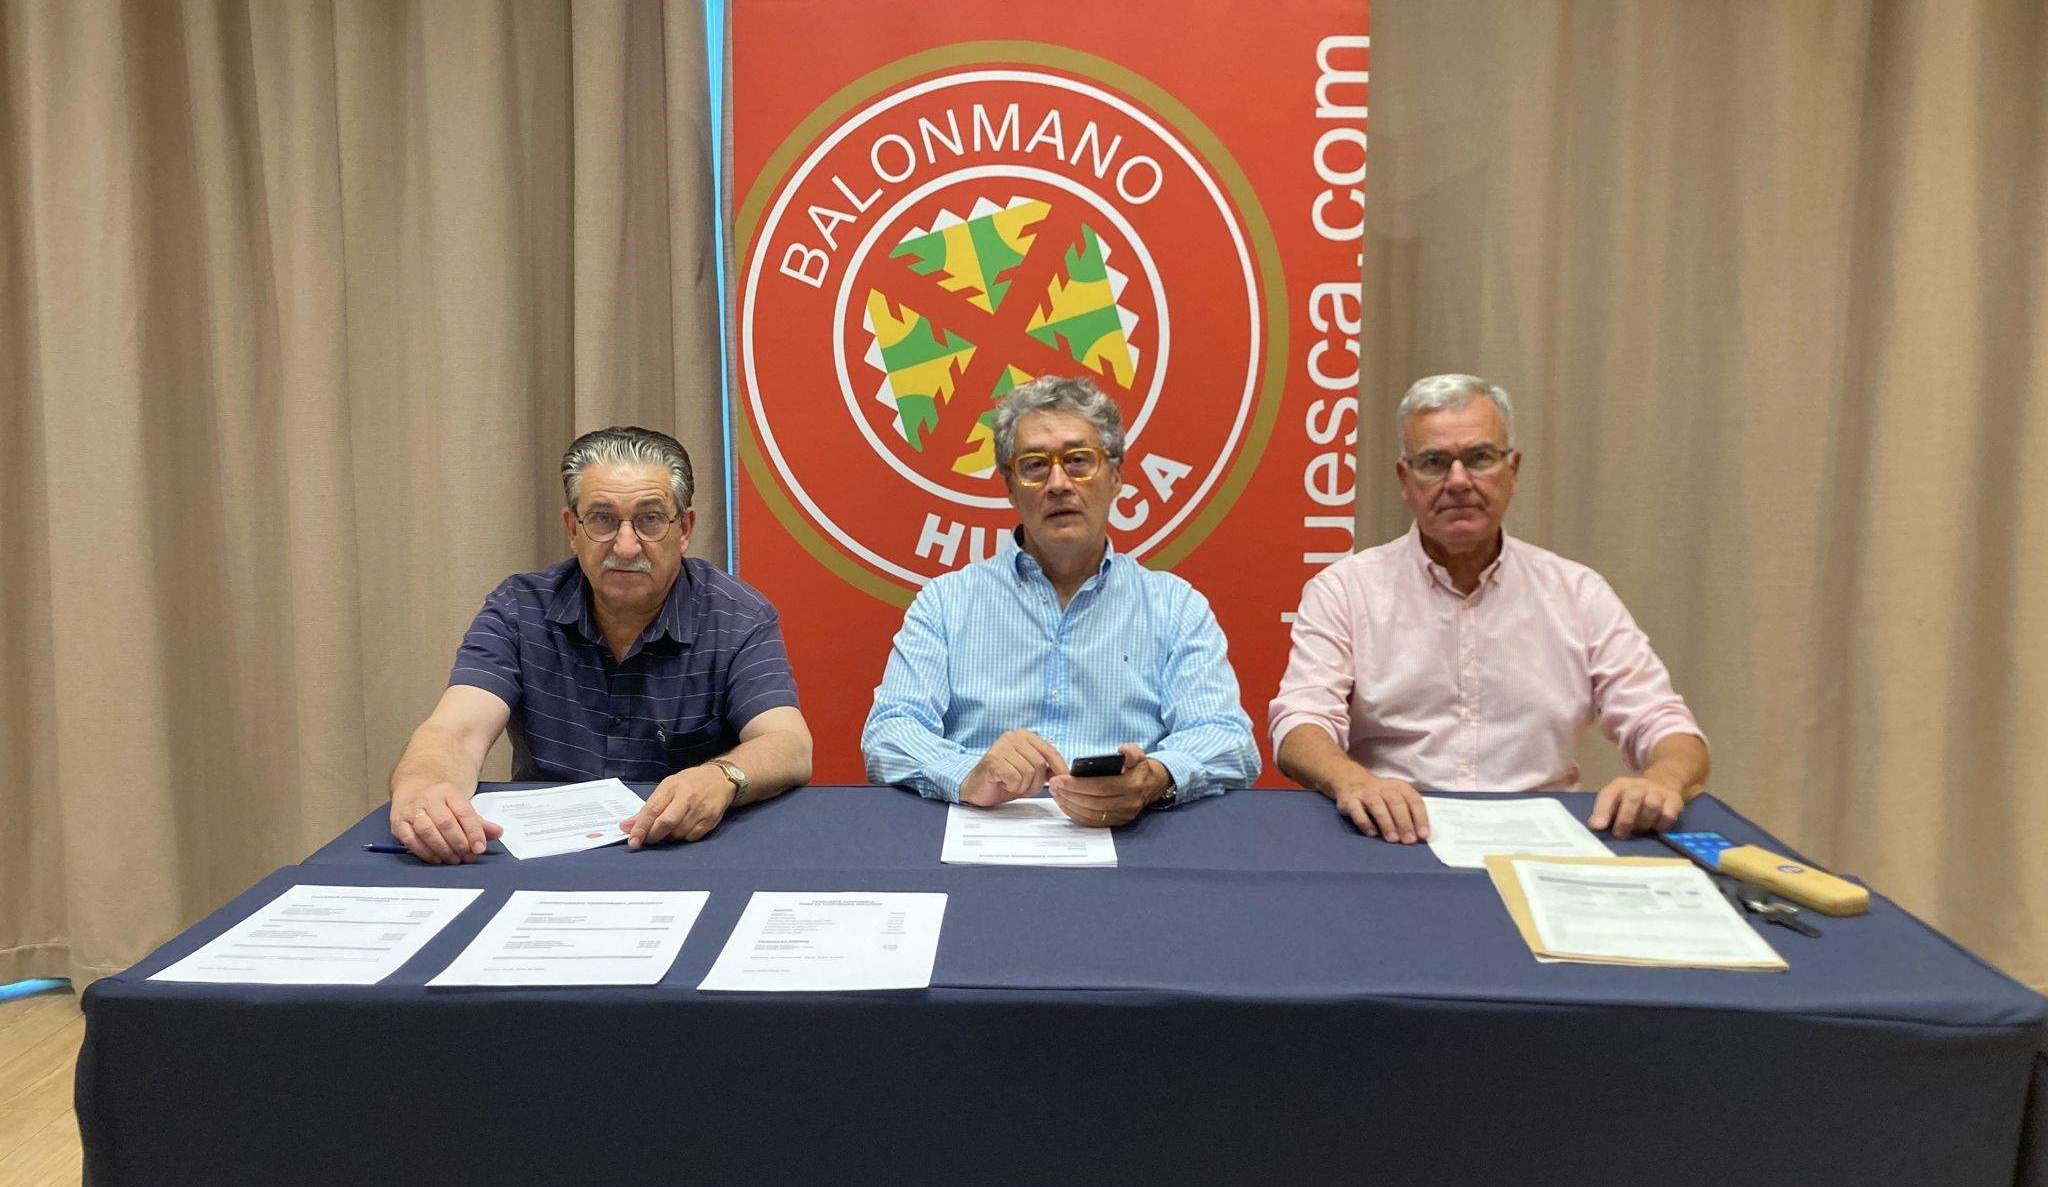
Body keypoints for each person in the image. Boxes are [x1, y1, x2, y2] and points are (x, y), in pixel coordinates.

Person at [1270, 373, 1707, 843]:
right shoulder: (1345, 590)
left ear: (1513, 470)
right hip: (1392, 833)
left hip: (1543, 838)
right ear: (1405, 479)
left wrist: (1660, 780)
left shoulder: (1578, 593)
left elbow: (1664, 723)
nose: (1458, 481)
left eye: (1479, 458)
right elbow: (1300, 722)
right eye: (1434, 462)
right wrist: (1353, 781)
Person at [388, 425, 812, 862]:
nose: (626, 547)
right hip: (546, 858)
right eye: (603, 519)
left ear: (684, 528)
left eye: (649, 519)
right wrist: (424, 788)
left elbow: (788, 744)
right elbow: (454, 733)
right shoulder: (520, 609)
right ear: (572, 528)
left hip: (683, 850)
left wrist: (722, 777)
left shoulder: (737, 615)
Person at [862, 376, 1258, 826]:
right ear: (1010, 487)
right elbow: (889, 731)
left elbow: (1228, 739)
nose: (1058, 483)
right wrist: (967, 775)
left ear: (1116, 476)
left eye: (1078, 461)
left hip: (1130, 838)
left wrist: (1155, 777)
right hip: (983, 836)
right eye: (1034, 465)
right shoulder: (947, 603)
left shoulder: (1174, 606)